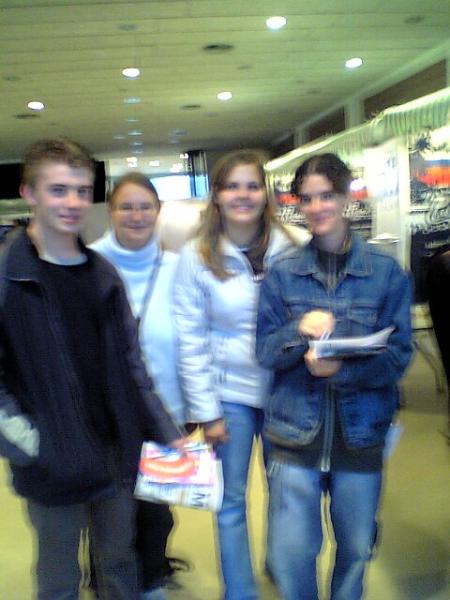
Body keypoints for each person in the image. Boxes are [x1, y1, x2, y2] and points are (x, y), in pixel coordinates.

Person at [0, 138, 185, 600]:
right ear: (29, 193)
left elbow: (132, 366)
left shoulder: (103, 273)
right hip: (52, 462)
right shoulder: (9, 277)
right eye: (58, 190)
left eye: (82, 191)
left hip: (115, 454)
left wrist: (164, 430)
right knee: (60, 577)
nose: (73, 202)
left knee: (118, 562)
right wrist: (31, 444)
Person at [255, 153, 413, 600]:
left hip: (360, 435)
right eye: (306, 199)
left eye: (326, 196)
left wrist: (341, 370)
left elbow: (398, 357)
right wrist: (296, 331)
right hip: (293, 435)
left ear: (345, 197)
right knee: (292, 553)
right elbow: (265, 351)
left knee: (358, 548)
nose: (316, 207)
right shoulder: (283, 272)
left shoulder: (385, 272)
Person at [173, 149, 308, 600]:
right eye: (232, 186)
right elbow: (190, 340)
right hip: (228, 395)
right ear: (216, 195)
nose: (243, 195)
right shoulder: (196, 256)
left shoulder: (294, 247)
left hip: (284, 391)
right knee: (231, 500)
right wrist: (206, 411)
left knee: (285, 493)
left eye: (252, 186)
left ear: (265, 194)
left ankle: (281, 567)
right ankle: (240, 591)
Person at [91, 172, 186, 599]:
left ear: (158, 211)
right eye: (126, 207)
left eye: (145, 206)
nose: (136, 215)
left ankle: (150, 578)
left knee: (156, 508)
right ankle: (108, 580)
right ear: (110, 212)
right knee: (111, 509)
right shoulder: (89, 264)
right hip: (106, 414)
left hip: (164, 407)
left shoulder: (178, 266)